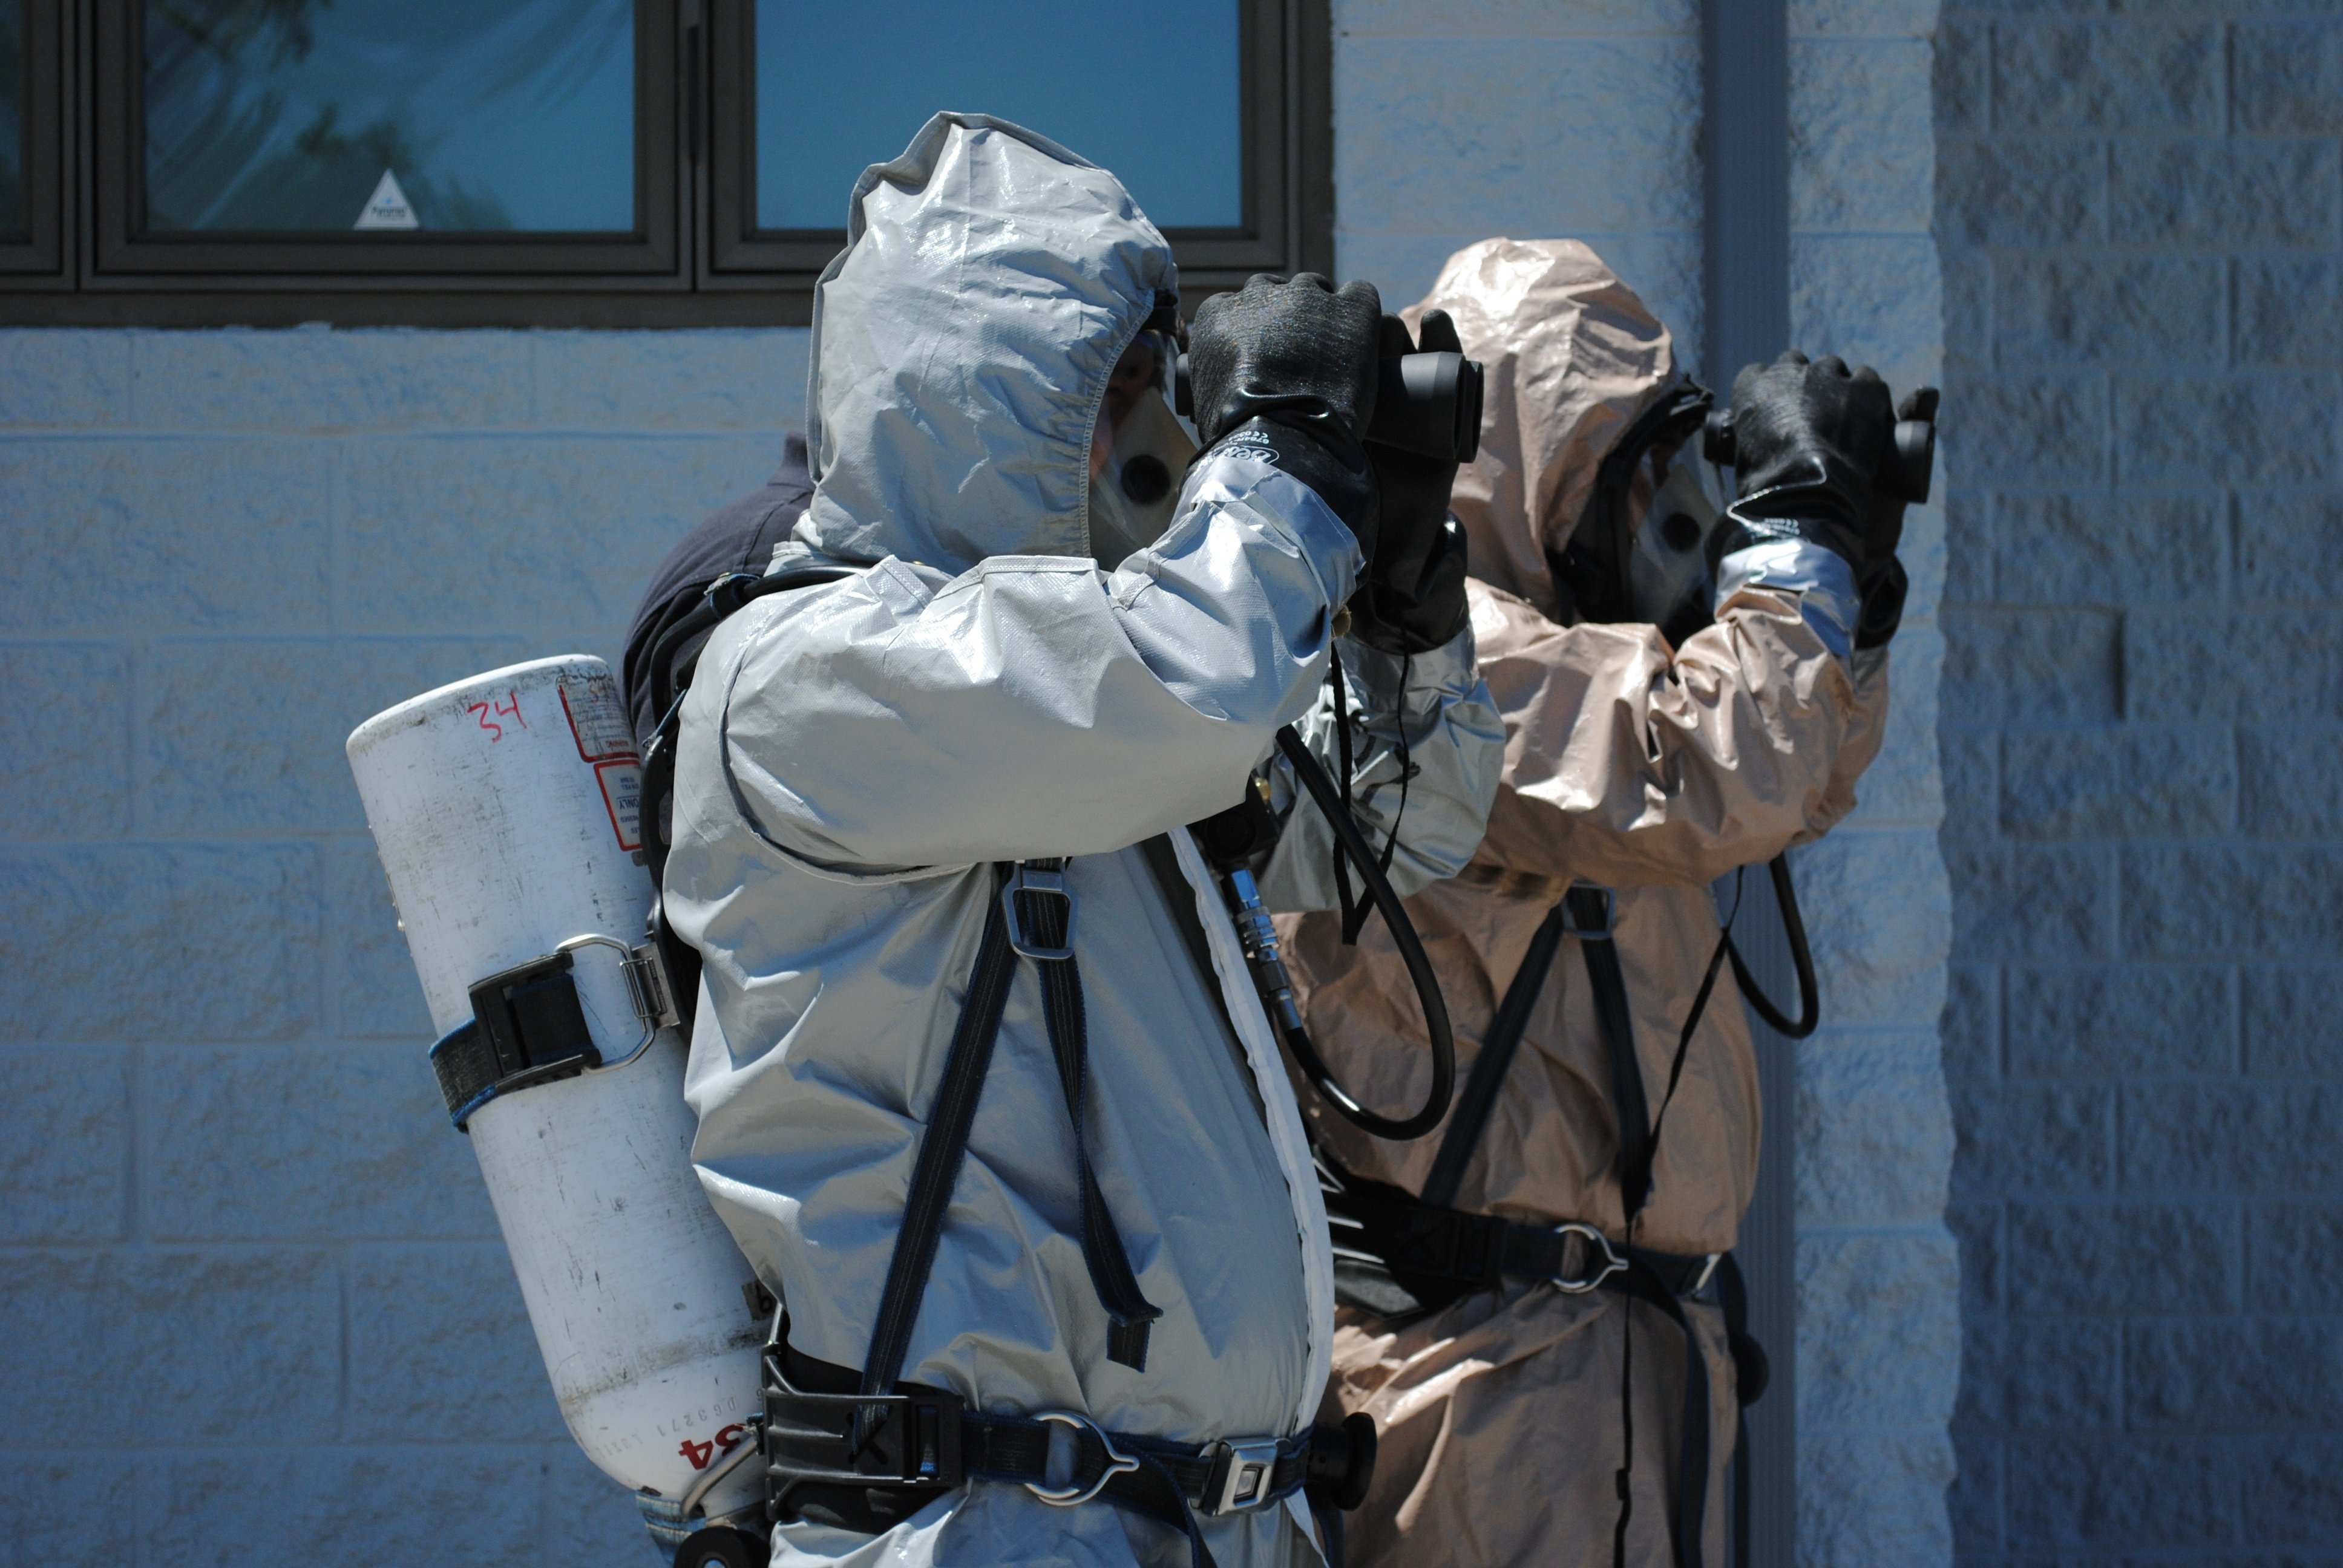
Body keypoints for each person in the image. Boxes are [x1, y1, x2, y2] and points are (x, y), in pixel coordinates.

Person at [658, 113, 1501, 1568]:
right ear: (983, 399)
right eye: (1115, 391)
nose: (1159, 434)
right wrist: (1286, 459)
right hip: (993, 1522)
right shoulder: (810, 676)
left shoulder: (1076, 713)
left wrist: (1411, 619)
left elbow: (1396, 835)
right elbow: (1184, 679)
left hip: (1183, 1516)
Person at [1274, 238, 1907, 1568]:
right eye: (1631, 477)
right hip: (1485, 1381)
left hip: (1632, 1361)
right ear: (1525, 462)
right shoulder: (1436, 660)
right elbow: (1718, 773)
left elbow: (1795, 780)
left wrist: (1856, 580)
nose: (1662, 517)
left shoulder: (1612, 662)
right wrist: (1799, 543)